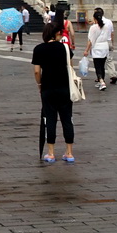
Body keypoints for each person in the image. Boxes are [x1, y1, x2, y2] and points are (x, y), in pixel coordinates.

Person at [32, 22, 76, 163]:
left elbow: (37, 71)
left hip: (48, 89)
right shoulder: (65, 48)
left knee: (50, 120)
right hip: (65, 88)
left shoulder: (39, 49)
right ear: (55, 34)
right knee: (67, 119)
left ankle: (51, 153)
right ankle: (69, 153)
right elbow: (70, 66)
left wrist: (40, 84)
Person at [84, 7, 113, 91]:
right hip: (104, 47)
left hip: (96, 48)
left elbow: (90, 40)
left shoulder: (93, 28)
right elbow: (108, 38)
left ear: (94, 18)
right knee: (102, 65)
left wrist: (86, 50)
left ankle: (101, 81)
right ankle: (102, 80)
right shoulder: (106, 27)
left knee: (97, 66)